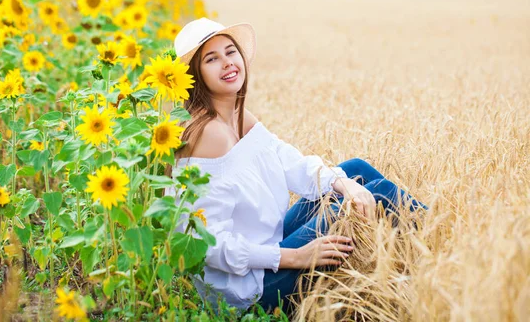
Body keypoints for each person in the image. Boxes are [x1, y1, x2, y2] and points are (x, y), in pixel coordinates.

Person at [165, 18, 427, 316]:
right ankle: (443, 252)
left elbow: (288, 160)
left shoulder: (237, 115)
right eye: (212, 59)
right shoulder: (207, 136)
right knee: (377, 194)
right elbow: (208, 245)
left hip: (269, 250)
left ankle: (433, 249)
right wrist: (295, 256)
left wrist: (344, 184)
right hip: (250, 293)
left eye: (230, 52)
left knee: (355, 171)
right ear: (195, 76)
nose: (227, 63)